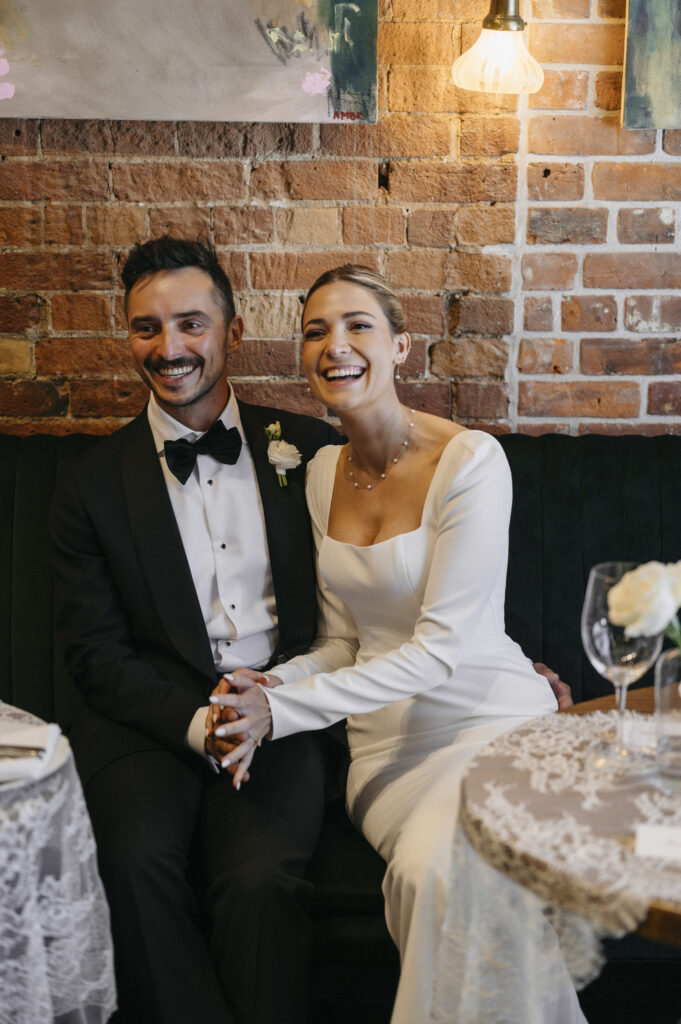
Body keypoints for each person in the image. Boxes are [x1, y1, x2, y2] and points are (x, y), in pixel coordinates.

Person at [210, 265, 587, 1024]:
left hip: (492, 721)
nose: (334, 346)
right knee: (430, 869)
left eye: (357, 326)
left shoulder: (471, 462)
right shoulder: (319, 474)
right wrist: (268, 691)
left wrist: (281, 717)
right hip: (387, 756)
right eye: (315, 331)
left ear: (401, 347)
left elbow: (442, 649)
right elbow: (344, 639)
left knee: (439, 874)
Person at [50, 236, 341, 1024]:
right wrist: (194, 722)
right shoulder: (90, 483)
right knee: (130, 861)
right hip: (148, 716)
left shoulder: (311, 452)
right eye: (146, 328)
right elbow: (93, 651)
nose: (168, 348)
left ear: (233, 333)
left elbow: (386, 586)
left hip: (280, 706)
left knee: (258, 882)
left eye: (190, 324)